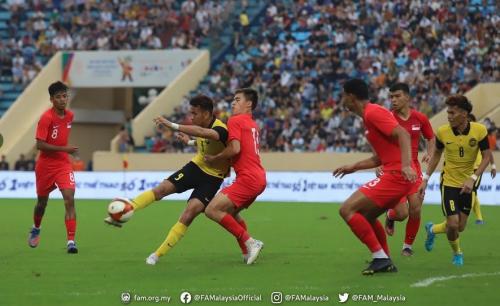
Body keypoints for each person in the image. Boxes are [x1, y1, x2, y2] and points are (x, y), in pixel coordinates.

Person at [105, 95, 235, 265]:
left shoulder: (221, 129)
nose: (191, 117)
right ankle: (127, 209)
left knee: (189, 213)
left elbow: (206, 134)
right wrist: (189, 143)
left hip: (212, 178)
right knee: (161, 190)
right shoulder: (200, 126)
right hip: (195, 167)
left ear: (206, 113)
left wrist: (171, 125)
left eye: (194, 113)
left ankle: (157, 254)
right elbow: (204, 141)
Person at [156, 88, 267, 265]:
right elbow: (223, 142)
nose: (233, 102)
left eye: (238, 100)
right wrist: (191, 142)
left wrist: (216, 158)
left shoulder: (235, 120)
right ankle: (246, 252)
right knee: (233, 213)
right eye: (233, 99)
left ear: (249, 104)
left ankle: (251, 242)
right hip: (258, 178)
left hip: (248, 179)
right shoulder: (251, 123)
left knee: (212, 210)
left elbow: (234, 149)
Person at [333, 79, 416, 275]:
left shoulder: (373, 112)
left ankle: (380, 257)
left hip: (396, 174)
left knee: (347, 210)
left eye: (344, 95)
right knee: (366, 216)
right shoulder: (368, 118)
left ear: (351, 97)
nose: (342, 100)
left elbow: (403, 134)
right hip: (393, 172)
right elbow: (380, 157)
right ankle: (383, 259)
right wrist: (354, 166)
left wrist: (405, 165)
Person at [419, 95, 491, 266]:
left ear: (464, 114)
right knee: (452, 223)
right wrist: (425, 179)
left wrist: (473, 178)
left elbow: (487, 157)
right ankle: (457, 253)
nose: (449, 116)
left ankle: (432, 229)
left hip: (468, 185)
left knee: (459, 227)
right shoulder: (443, 132)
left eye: (452, 113)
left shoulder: (479, 130)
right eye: (448, 112)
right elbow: (436, 155)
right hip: (449, 183)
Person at [382, 83, 435, 256]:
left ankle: (407, 246)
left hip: (413, 169)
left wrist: (430, 152)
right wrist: (379, 164)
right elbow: (380, 143)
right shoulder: (388, 118)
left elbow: (431, 137)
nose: (393, 100)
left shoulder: (420, 118)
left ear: (407, 97)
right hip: (394, 170)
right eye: (391, 97)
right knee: (402, 213)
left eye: (397, 96)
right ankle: (391, 216)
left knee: (416, 208)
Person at [29, 81, 79, 253]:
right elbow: (40, 145)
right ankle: (36, 227)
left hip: (63, 164)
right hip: (45, 166)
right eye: (58, 97)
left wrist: (65, 152)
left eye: (64, 96)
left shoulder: (70, 115)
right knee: (42, 203)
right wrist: (66, 149)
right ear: (51, 99)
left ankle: (71, 241)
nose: (62, 100)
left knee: (69, 198)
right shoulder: (46, 118)